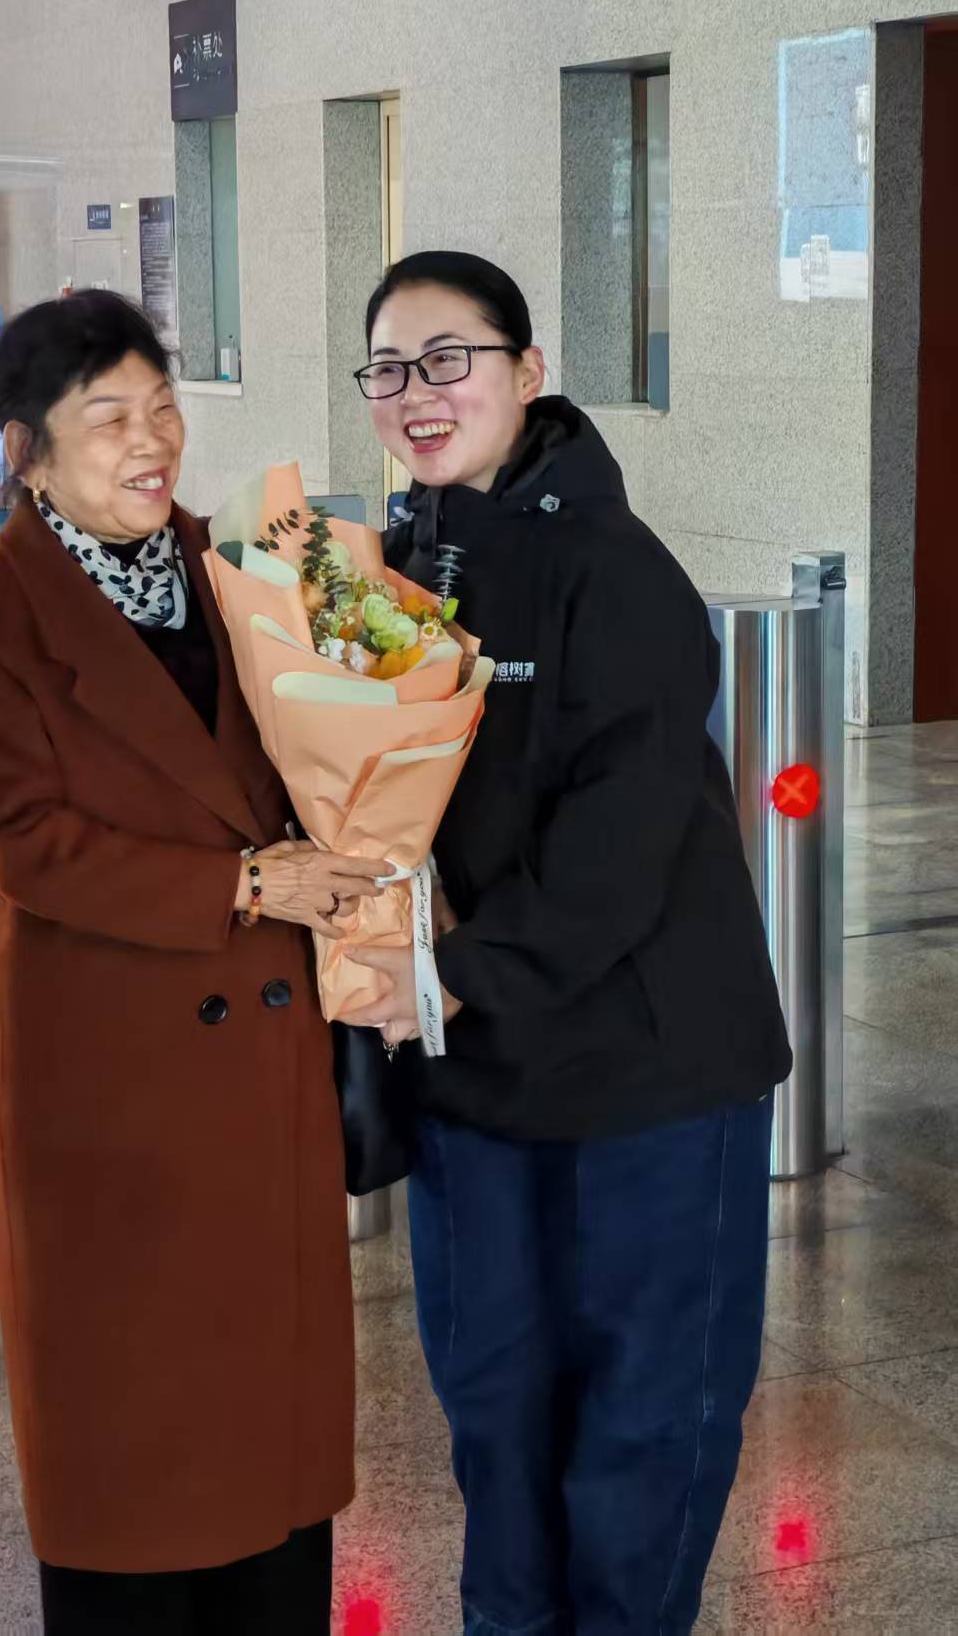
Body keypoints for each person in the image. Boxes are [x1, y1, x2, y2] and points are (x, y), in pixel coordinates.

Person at [0, 289, 389, 1635]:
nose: (152, 439)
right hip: (114, 1087)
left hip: (263, 1068)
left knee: (270, 1444)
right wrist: (241, 884)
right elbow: (26, 841)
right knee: (134, 1446)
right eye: (109, 417)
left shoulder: (242, 564)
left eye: (164, 406)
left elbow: (334, 738)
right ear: (26, 449)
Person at [347, 252, 792, 1636]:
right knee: (496, 1420)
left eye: (450, 359)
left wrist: (444, 975)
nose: (418, 392)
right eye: (389, 368)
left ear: (528, 372)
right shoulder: (387, 569)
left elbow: (622, 840)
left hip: (646, 1082)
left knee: (641, 1433)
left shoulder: (618, 569)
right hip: (475, 1078)